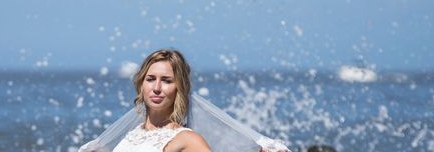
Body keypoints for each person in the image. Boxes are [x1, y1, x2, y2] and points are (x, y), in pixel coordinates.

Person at [79, 49, 290, 152]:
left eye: (167, 81)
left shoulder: (187, 140)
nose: (157, 88)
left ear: (179, 88)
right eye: (150, 79)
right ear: (141, 85)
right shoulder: (131, 135)